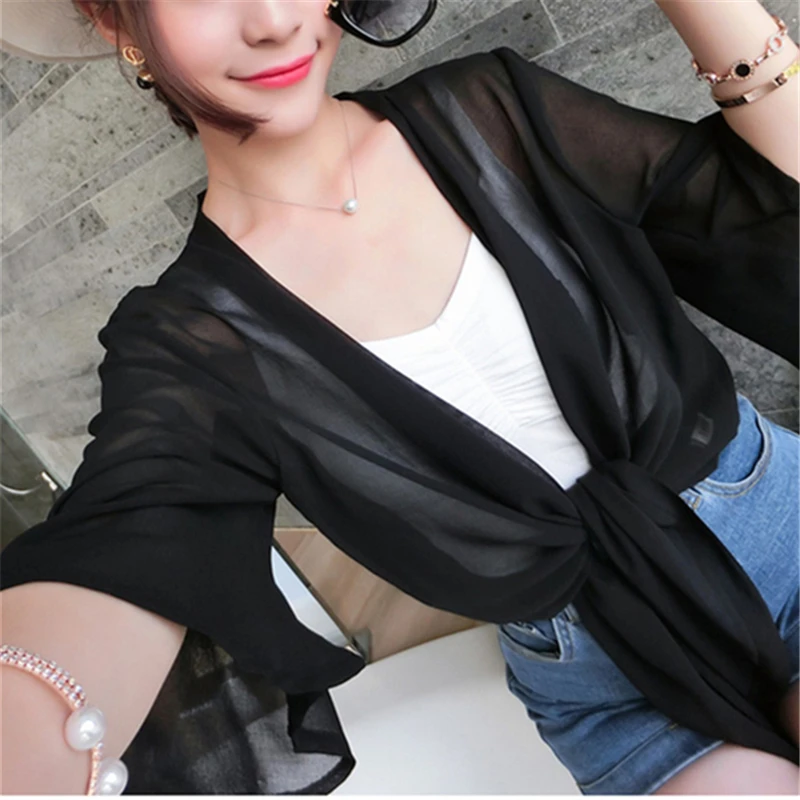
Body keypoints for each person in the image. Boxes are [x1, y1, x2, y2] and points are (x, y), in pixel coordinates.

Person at [1, 0, 798, 795]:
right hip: (609, 687)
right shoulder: (185, 345)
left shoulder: (491, 111)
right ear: (113, 21)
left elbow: (766, 219)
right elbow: (128, 546)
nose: (274, 20)